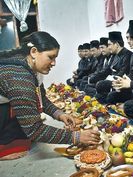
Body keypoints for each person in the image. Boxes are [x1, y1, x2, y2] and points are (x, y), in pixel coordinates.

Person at [0, 31, 100, 160]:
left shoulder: (29, 67)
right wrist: (76, 137)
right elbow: (34, 130)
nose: (54, 63)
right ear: (34, 52)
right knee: (23, 136)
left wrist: (59, 114)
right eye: (51, 57)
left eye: (55, 58)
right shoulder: (19, 76)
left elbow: (41, 98)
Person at [95, 31, 132, 104]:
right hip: (113, 82)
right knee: (98, 95)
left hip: (122, 84)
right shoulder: (115, 55)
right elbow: (108, 70)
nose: (108, 47)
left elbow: (122, 73)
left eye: (109, 45)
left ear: (117, 44)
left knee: (101, 85)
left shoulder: (128, 55)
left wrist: (110, 78)